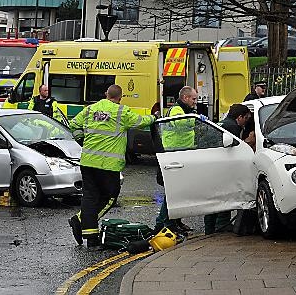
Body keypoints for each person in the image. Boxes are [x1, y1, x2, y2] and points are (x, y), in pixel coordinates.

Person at [68, 84, 156, 248]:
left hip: (88, 162)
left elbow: (73, 125)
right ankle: (79, 220)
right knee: (109, 197)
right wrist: (154, 117)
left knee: (90, 197)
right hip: (108, 165)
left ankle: (91, 236)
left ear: (106, 94)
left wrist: (81, 139)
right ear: (120, 97)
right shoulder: (122, 112)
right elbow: (141, 122)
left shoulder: (90, 109)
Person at [204, 103, 254, 234]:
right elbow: (236, 149)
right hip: (221, 166)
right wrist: (248, 141)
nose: (245, 123)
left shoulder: (221, 123)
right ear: (239, 117)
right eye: (246, 119)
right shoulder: (232, 127)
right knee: (224, 196)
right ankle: (222, 225)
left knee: (212, 199)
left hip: (210, 165)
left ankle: (209, 230)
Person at [155, 86, 199, 235]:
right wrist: (196, 120)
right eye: (193, 99)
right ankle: (164, 223)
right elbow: (181, 123)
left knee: (179, 192)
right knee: (173, 192)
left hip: (181, 153)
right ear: (185, 98)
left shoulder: (186, 109)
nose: (195, 102)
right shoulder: (176, 110)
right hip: (173, 154)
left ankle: (175, 221)